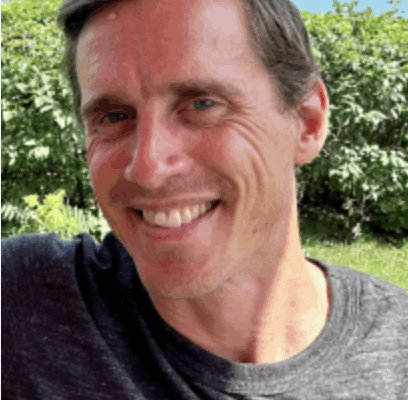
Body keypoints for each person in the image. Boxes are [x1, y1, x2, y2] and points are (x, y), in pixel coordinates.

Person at [2, 0, 407, 398]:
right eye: (114, 117)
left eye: (202, 104)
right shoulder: (26, 301)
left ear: (307, 123)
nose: (148, 167)